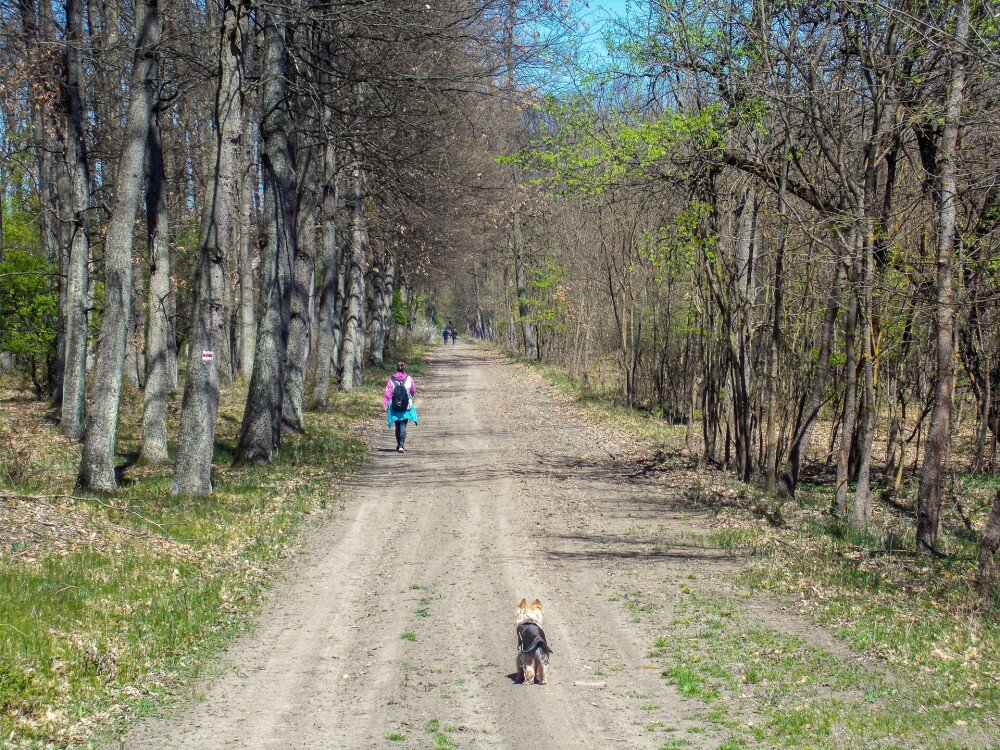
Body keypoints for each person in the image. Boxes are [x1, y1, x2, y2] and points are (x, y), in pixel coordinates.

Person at [383, 361, 418, 453]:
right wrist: (408, 396)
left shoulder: (391, 379)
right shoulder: (409, 378)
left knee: (397, 425)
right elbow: (413, 391)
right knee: (403, 424)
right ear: (404, 369)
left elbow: (387, 393)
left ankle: (399, 444)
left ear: (396, 368)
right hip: (406, 406)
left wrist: (385, 404)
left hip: (394, 405)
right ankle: (401, 445)